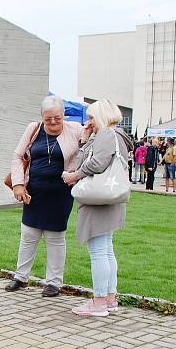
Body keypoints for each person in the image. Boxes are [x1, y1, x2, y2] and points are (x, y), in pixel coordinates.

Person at [5, 97, 83, 297]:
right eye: (48, 119)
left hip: (60, 193)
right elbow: (17, 157)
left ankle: (54, 283)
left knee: (55, 237)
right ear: (42, 117)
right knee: (28, 235)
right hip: (34, 192)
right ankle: (21, 277)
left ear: (63, 114)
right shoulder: (33, 129)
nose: (53, 123)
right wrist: (18, 185)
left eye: (57, 118)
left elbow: (91, 144)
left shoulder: (75, 129)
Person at [62, 99, 133, 317]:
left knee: (99, 252)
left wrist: (74, 175)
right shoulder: (118, 136)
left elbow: (95, 163)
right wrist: (85, 141)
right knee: (107, 250)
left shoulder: (106, 135)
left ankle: (99, 301)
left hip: (98, 200)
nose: (88, 122)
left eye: (92, 117)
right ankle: (109, 298)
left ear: (101, 116)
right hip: (109, 199)